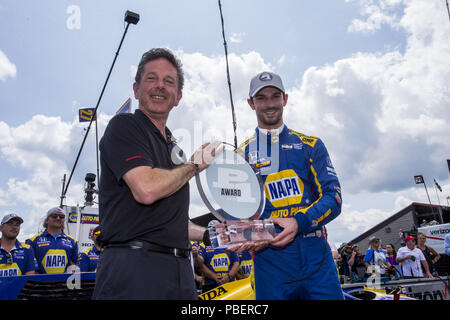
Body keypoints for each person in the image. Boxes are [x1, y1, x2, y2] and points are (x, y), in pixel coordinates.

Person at [92, 48, 220, 300]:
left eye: (168, 82)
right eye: (151, 78)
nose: (159, 86)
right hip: (134, 270)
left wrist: (210, 233)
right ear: (136, 89)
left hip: (181, 273)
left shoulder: (176, 150)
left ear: (178, 96)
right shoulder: (124, 126)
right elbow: (146, 190)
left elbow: (172, 222)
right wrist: (194, 166)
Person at [234, 71, 343, 300]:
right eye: (261, 98)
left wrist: (298, 222)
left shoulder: (310, 145)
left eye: (275, 96)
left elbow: (334, 198)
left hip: (317, 263)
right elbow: (238, 213)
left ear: (285, 99)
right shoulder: (240, 155)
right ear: (250, 103)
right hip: (270, 267)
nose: (270, 104)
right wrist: (246, 235)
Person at [26, 207, 78, 274]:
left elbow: (74, 266)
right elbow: (28, 265)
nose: (58, 218)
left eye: (61, 216)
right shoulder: (33, 241)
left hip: (64, 283)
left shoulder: (73, 241)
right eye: (54, 216)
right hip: (40, 283)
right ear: (47, 220)